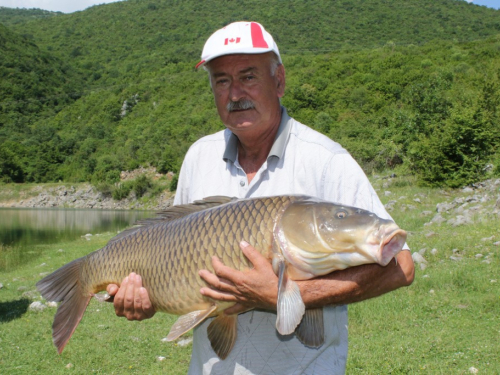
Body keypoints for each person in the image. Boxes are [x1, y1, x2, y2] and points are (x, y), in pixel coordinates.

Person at [107, 21, 414, 374]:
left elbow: (401, 269)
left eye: (249, 76)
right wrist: (144, 298)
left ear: (279, 81)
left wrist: (283, 296)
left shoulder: (327, 159)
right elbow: (170, 260)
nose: (235, 93)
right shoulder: (198, 156)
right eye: (222, 80)